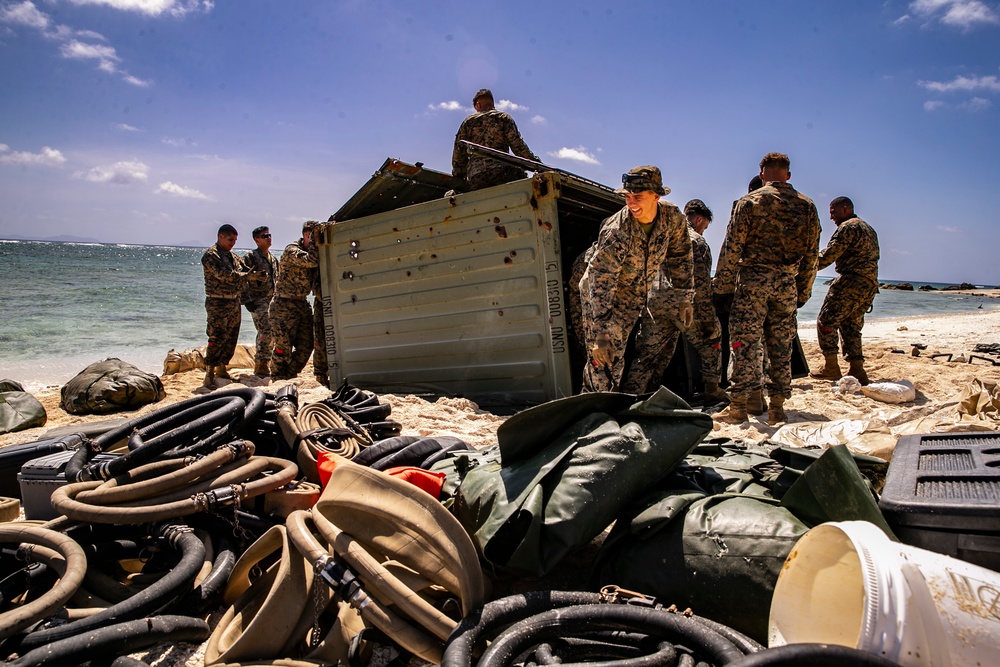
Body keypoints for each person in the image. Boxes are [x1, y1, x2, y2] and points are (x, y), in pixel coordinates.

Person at [712, 153, 821, 425]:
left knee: (744, 342)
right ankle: (777, 407)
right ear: (788, 175)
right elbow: (812, 256)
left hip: (753, 281)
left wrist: (723, 287)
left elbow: (731, 248)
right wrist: (803, 291)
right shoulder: (808, 207)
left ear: (761, 173)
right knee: (781, 346)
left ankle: (738, 406)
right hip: (786, 284)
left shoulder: (749, 202)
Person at [579, 165, 695, 393]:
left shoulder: (672, 218)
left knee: (616, 353)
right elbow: (600, 280)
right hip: (602, 294)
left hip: (633, 296)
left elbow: (681, 254)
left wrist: (685, 296)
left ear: (656, 196)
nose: (631, 203)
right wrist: (601, 331)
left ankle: (608, 404)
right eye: (627, 197)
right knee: (604, 355)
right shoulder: (617, 231)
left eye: (638, 197)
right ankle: (594, 408)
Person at [810, 196, 880, 385]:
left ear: (846, 208)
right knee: (851, 326)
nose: (831, 217)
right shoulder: (868, 229)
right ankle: (857, 369)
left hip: (851, 281)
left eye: (834, 212)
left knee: (826, 321)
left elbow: (829, 255)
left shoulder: (848, 227)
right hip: (869, 284)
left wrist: (805, 264)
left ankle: (831, 367)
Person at [451, 88, 540, 191]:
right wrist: (537, 164)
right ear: (492, 103)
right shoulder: (503, 118)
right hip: (503, 173)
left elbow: (458, 154)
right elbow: (519, 147)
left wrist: (459, 176)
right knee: (523, 182)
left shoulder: (468, 122)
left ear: (478, 105)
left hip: (477, 176)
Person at [682, 199, 726, 404]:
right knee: (712, 340)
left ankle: (632, 397)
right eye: (705, 227)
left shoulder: (664, 235)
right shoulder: (696, 242)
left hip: (658, 305)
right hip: (686, 307)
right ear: (699, 220)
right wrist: (709, 320)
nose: (704, 231)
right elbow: (701, 287)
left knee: (649, 356)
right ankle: (712, 390)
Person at [201, 224, 253, 388]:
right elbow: (223, 275)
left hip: (233, 301)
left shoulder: (234, 257)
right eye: (230, 239)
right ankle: (209, 372)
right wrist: (246, 275)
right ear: (221, 236)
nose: (233, 243)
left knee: (231, 337)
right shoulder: (211, 255)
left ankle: (222, 368)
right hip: (218, 301)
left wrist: (255, 275)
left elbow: (245, 271)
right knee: (216, 336)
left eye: (235, 240)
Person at [269, 220, 319, 380]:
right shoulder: (292, 250)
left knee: (307, 345)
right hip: (283, 304)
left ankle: (289, 374)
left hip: (301, 303)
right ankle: (276, 375)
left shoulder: (313, 251)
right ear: (306, 235)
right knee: (283, 346)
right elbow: (311, 261)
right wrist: (314, 242)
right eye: (312, 237)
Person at [241, 226, 279, 378]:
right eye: (265, 236)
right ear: (256, 240)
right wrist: (246, 300)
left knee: (274, 332)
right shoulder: (250, 257)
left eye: (269, 235)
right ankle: (261, 365)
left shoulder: (273, 259)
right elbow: (242, 278)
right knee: (265, 331)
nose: (269, 238)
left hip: (272, 301)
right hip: (257, 301)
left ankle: (267, 363)